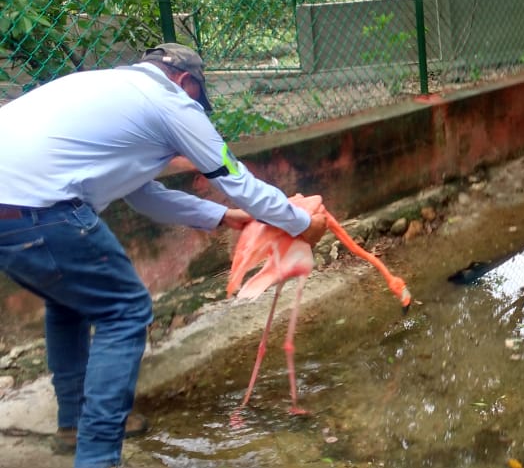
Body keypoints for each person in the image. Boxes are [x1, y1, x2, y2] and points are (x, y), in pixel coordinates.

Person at [0, 43, 327, 468]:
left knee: (69, 303)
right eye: (197, 98)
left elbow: (144, 196)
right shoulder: (171, 102)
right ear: (185, 82)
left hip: (15, 210)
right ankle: (97, 457)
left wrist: (223, 217)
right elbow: (238, 181)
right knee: (126, 312)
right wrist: (302, 224)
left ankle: (75, 423)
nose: (197, 109)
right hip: (42, 210)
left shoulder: (112, 89)